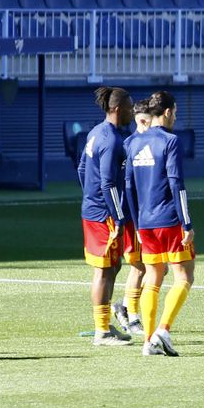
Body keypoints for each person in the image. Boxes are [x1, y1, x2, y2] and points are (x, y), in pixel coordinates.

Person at [123, 91, 194, 358]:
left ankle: (148, 342)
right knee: (184, 276)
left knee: (152, 278)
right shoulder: (170, 141)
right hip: (170, 220)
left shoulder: (133, 144)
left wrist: (138, 224)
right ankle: (163, 330)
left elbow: (129, 187)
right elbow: (177, 183)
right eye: (175, 112)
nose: (175, 117)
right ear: (167, 112)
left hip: (146, 223)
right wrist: (187, 222)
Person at [77, 85, 134, 347]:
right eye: (131, 107)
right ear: (119, 108)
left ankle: (105, 325)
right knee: (103, 269)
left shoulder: (95, 132)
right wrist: (119, 217)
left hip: (95, 209)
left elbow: (81, 169)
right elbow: (108, 184)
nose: (133, 112)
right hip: (105, 215)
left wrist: (90, 197)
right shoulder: (111, 139)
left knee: (113, 266)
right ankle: (101, 331)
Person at [111, 99, 153, 337]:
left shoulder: (149, 141)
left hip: (148, 213)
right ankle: (132, 314)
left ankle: (125, 306)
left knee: (155, 268)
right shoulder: (131, 144)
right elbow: (124, 183)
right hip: (133, 215)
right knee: (140, 266)